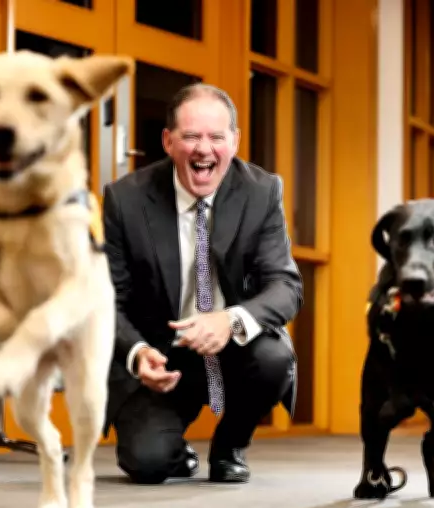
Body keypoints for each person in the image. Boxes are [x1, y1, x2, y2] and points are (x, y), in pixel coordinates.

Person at [101, 83, 303, 485]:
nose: (203, 149)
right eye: (191, 136)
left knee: (274, 359)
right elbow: (109, 299)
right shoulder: (125, 200)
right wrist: (137, 353)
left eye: (216, 137)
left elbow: (285, 285)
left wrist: (230, 320)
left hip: (234, 348)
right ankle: (176, 451)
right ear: (168, 141)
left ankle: (231, 446)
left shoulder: (261, 192)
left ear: (235, 141)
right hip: (163, 353)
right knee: (147, 463)